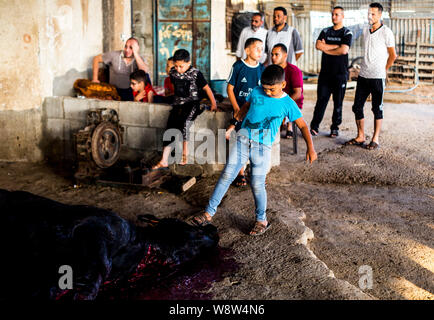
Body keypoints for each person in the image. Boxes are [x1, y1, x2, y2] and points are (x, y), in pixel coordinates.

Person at [190, 65, 317, 236]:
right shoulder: (257, 91)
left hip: (262, 148)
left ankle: (261, 219)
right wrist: (237, 118)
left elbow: (302, 126)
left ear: (283, 84)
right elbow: (247, 105)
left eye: (272, 89)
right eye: (265, 88)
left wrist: (311, 148)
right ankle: (208, 213)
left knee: (257, 184)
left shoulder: (288, 104)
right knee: (227, 175)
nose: (268, 92)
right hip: (243, 140)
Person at [152, 49, 217, 169]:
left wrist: (213, 103)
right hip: (177, 104)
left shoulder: (196, 73)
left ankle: (184, 155)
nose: (178, 69)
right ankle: (164, 160)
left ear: (188, 62)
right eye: (176, 66)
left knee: (185, 125)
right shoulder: (173, 72)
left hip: (192, 103)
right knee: (170, 127)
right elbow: (174, 88)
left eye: (181, 66)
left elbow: (207, 88)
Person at [346, 3, 397, 150]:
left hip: (377, 76)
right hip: (363, 75)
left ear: (380, 15)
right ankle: (360, 136)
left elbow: (393, 55)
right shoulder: (365, 30)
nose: (370, 16)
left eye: (373, 14)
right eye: (369, 13)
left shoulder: (386, 32)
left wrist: (384, 69)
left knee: (377, 108)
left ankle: (375, 139)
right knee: (357, 107)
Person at [227, 37, 265, 186]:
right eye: (257, 48)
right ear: (247, 50)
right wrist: (236, 107)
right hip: (240, 111)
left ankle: (255, 172)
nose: (260, 52)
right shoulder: (238, 66)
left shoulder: (262, 69)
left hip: (255, 112)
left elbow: (264, 91)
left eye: (262, 49)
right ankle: (240, 173)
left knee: (255, 141)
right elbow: (230, 89)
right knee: (240, 141)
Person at [310, 6, 353, 138]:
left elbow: (344, 50)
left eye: (337, 15)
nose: (334, 17)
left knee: (338, 102)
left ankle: (335, 127)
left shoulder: (347, 33)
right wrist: (336, 47)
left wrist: (326, 48)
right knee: (321, 100)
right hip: (325, 74)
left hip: (340, 74)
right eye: (333, 14)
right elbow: (318, 45)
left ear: (342, 16)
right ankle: (314, 126)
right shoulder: (325, 31)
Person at [271, 43, 303, 138]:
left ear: (285, 56)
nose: (273, 57)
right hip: (275, 100)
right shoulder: (271, 70)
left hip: (291, 101)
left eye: (276, 54)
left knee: (283, 111)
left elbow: (297, 93)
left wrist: (283, 105)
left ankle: (289, 125)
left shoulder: (294, 70)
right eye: (272, 54)